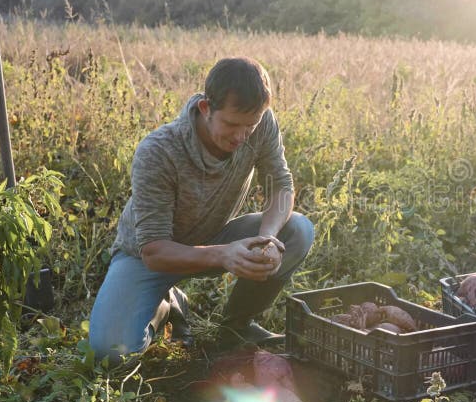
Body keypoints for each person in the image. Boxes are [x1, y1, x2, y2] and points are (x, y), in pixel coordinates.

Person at [89, 57, 314, 363]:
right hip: (148, 256)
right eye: (232, 125)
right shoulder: (159, 151)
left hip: (215, 236)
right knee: (110, 352)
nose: (241, 136)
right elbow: (154, 251)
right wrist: (223, 254)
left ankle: (235, 328)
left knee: (297, 230)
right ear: (206, 108)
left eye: (250, 125)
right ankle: (165, 305)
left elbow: (281, 186)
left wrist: (268, 239)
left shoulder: (260, 123)